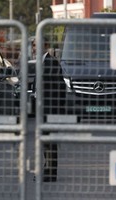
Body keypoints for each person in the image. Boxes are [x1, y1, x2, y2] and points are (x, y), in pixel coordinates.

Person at [32, 38, 65, 182]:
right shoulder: (41, 62)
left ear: (45, 46)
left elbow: (59, 88)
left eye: (38, 45)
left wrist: (55, 111)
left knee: (50, 141)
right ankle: (47, 169)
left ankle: (51, 173)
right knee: (45, 141)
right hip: (41, 108)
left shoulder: (51, 62)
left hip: (49, 109)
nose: (35, 48)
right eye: (33, 45)